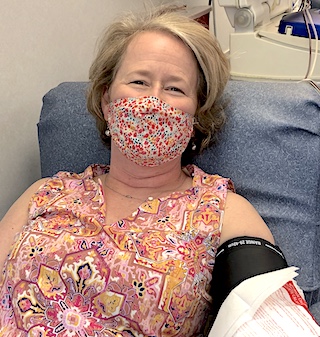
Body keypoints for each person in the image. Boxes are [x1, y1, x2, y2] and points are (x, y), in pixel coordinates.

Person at [0, 5, 284, 337]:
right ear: (107, 102)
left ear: (196, 116)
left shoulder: (221, 211)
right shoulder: (45, 194)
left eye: (175, 88)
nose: (153, 101)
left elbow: (277, 322)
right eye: (138, 81)